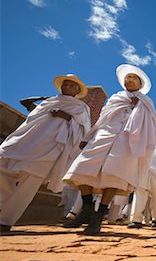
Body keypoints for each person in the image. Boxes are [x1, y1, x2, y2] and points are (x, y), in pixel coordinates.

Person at [63, 64, 156, 235]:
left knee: (114, 176)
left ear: (140, 84)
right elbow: (103, 118)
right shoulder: (116, 97)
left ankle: (98, 216)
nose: (129, 80)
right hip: (104, 135)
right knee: (82, 168)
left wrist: (138, 107)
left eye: (133, 78)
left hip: (128, 141)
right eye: (127, 77)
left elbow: (154, 124)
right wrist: (89, 137)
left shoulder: (146, 102)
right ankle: (86, 208)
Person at [0, 74, 91, 233]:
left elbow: (83, 131)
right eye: (66, 84)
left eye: (72, 85)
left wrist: (68, 117)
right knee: (3, 167)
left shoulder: (80, 108)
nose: (68, 87)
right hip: (27, 141)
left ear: (77, 91)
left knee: (29, 183)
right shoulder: (48, 102)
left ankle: (6, 220)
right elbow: (32, 119)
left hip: (51, 148)